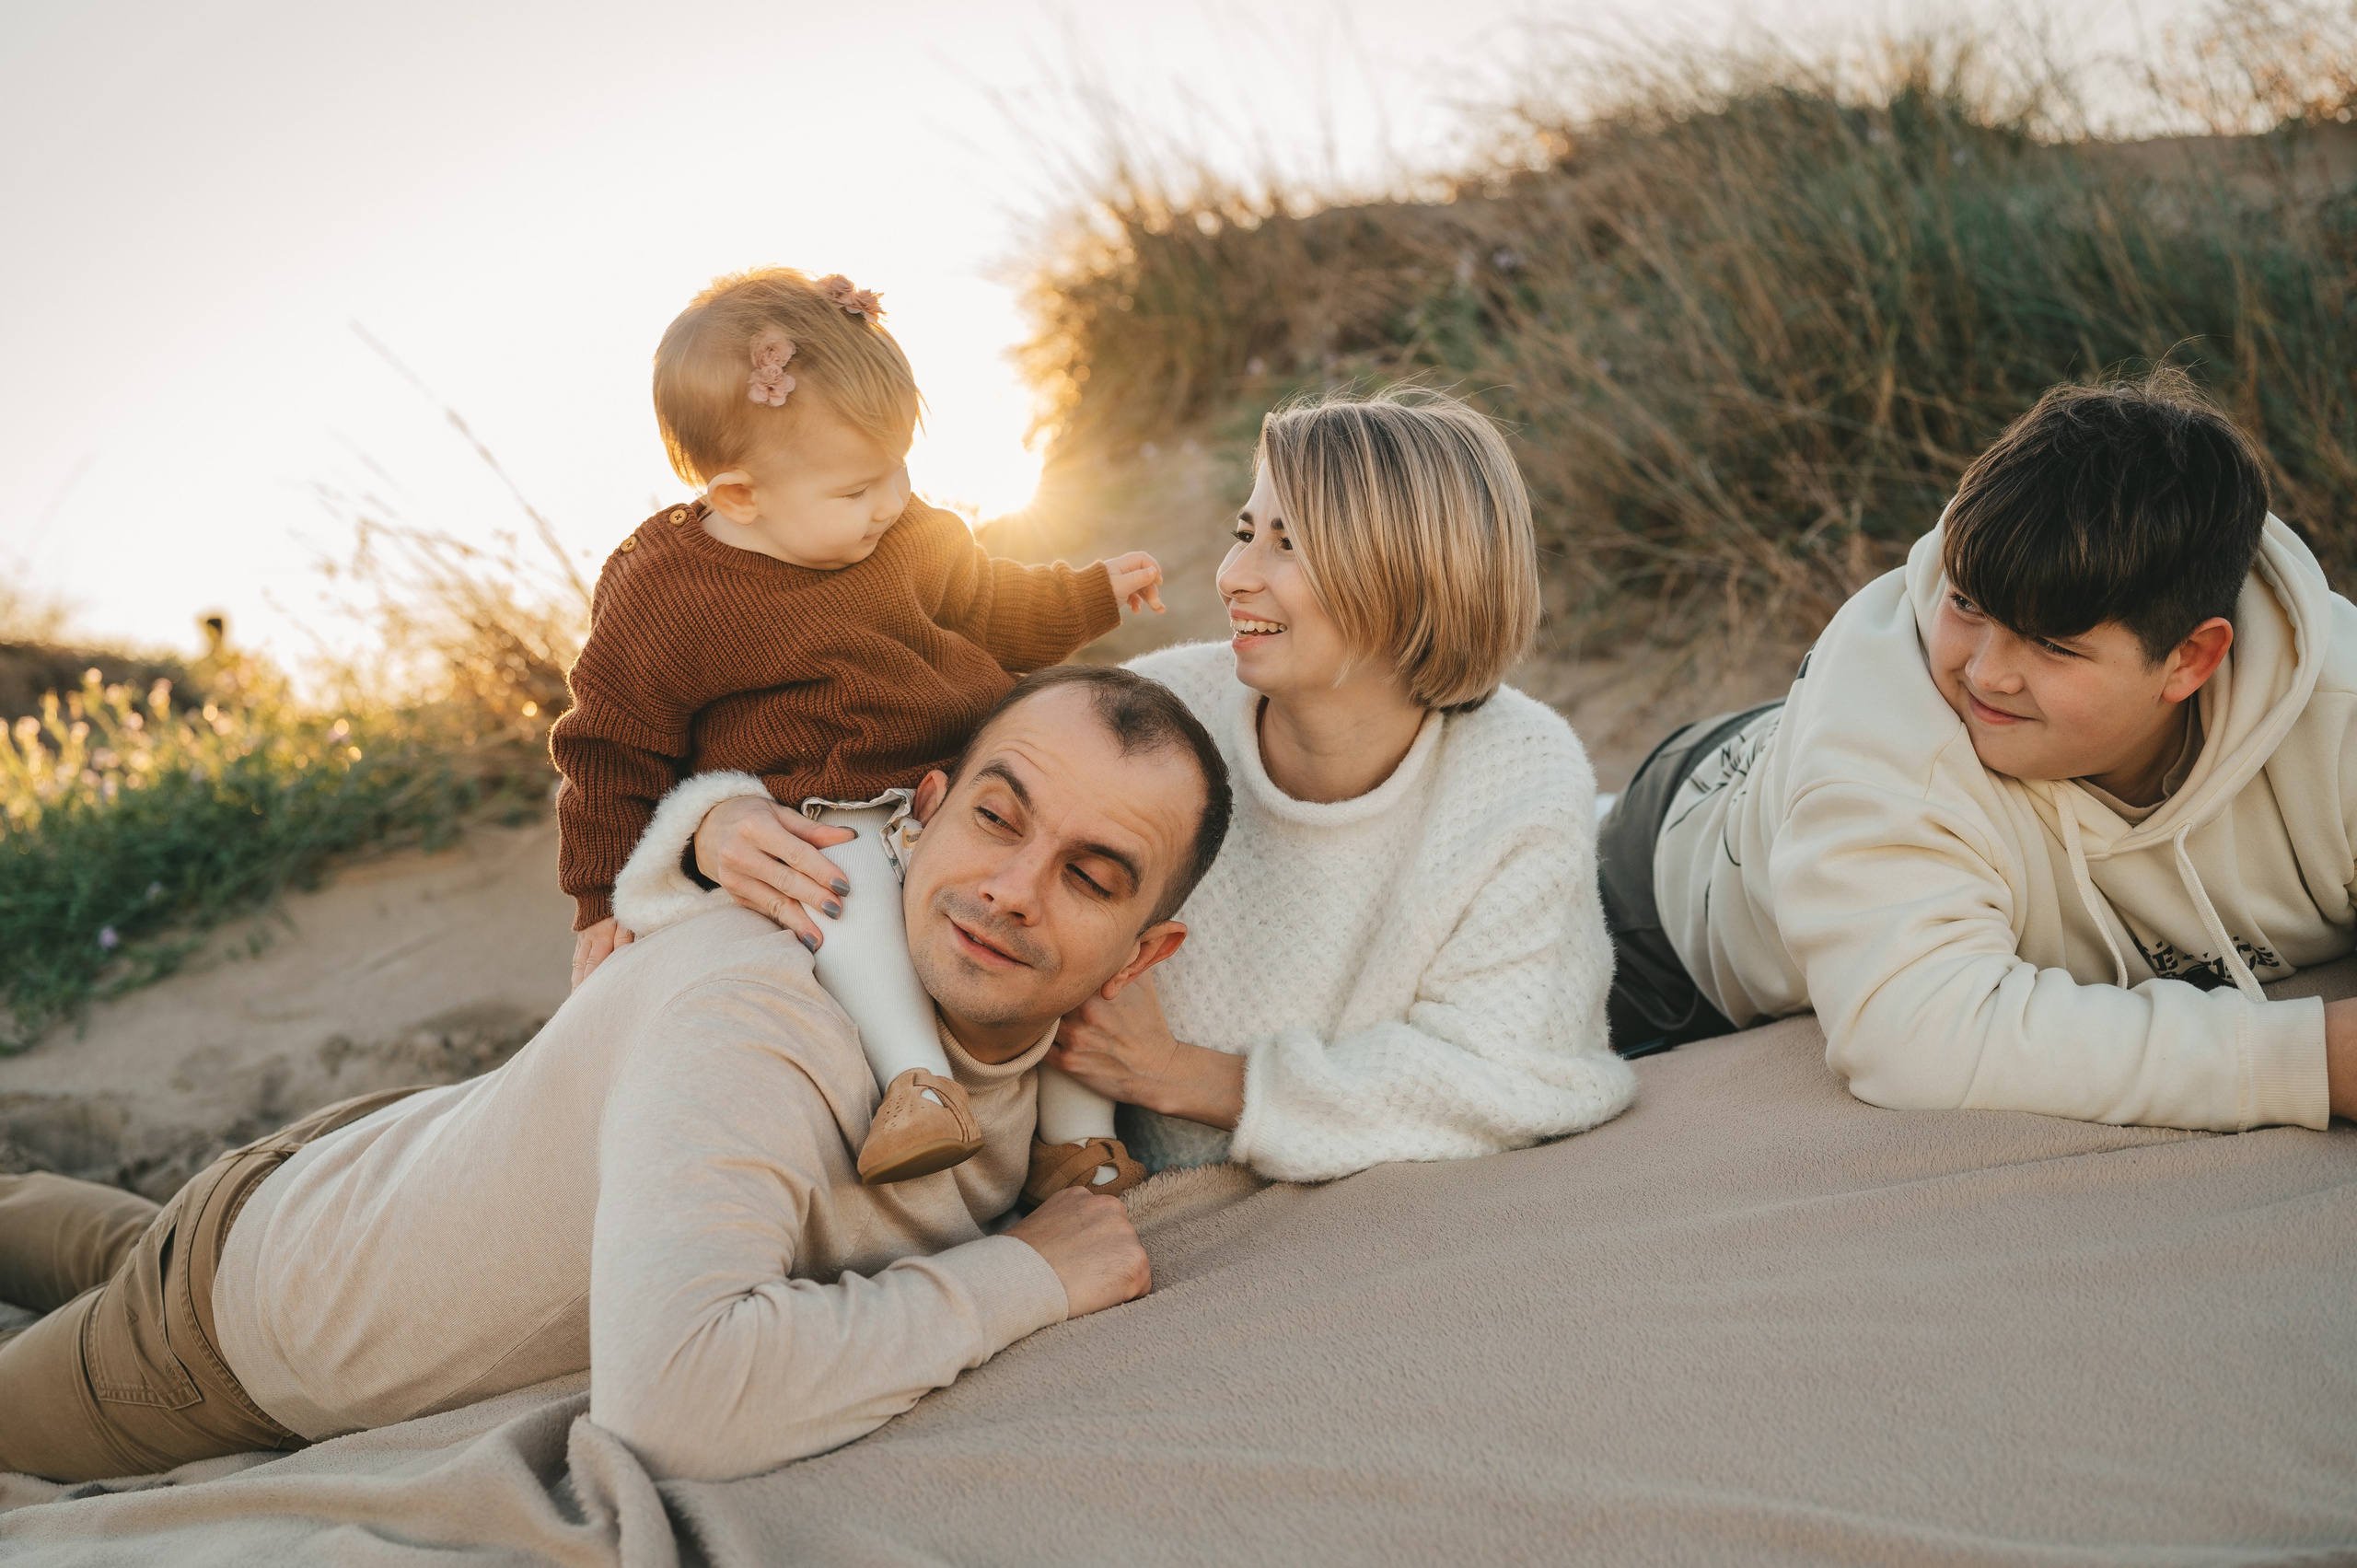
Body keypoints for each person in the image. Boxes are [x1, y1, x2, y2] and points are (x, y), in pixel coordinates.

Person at [0, 665, 1230, 1485]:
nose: (1012, 889)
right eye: (1000, 819)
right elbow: (676, 1402)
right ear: (924, 810)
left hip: (353, 1170)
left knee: (111, 1235)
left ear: (1144, 952)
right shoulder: (763, 1007)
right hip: (239, 1334)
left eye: (1092, 875)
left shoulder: (1047, 1051)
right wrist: (1024, 1275)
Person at [895, 387, 1628, 1185]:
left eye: (1288, 544)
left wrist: (1183, 1075)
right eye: (1245, 533)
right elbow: (950, 811)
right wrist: (773, 828)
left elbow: (1515, 1073)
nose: (1234, 576)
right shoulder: (1164, 717)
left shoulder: (1519, 773)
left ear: (1412, 577)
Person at [1601, 369, 2357, 1130]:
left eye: (2052, 645)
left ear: (2191, 658)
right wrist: (2314, 1060)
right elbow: (1914, 1035)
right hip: (1677, 893)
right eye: (1965, 602)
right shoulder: (1883, 725)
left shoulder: (2339, 714)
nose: (1986, 673)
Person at [551, 265, 1166, 1191]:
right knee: (840, 897)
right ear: (740, 493)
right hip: (831, 815)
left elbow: (990, 604)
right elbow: (611, 750)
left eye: (899, 469)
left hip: (968, 777)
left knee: (1063, 905)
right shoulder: (664, 592)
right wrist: (600, 899)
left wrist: (1090, 595)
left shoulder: (904, 530)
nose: (890, 500)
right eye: (857, 488)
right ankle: (916, 1084)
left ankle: (1081, 1137)